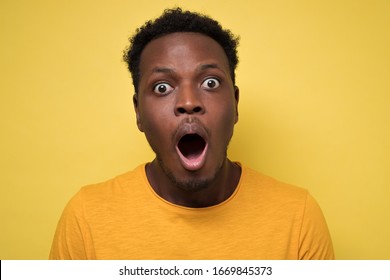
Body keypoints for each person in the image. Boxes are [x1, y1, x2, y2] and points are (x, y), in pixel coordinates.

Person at [49, 8, 334, 260]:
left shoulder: (298, 217)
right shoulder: (85, 218)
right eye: (162, 87)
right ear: (138, 113)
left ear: (235, 105)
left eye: (210, 82)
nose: (188, 102)